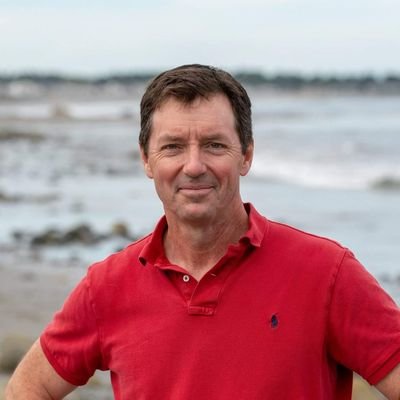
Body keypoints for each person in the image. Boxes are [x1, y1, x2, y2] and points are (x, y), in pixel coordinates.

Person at [5, 64, 400, 400]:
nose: (193, 166)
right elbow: (29, 388)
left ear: (246, 155)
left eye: (214, 145)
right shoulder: (107, 287)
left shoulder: (326, 273)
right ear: (146, 160)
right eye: (173, 147)